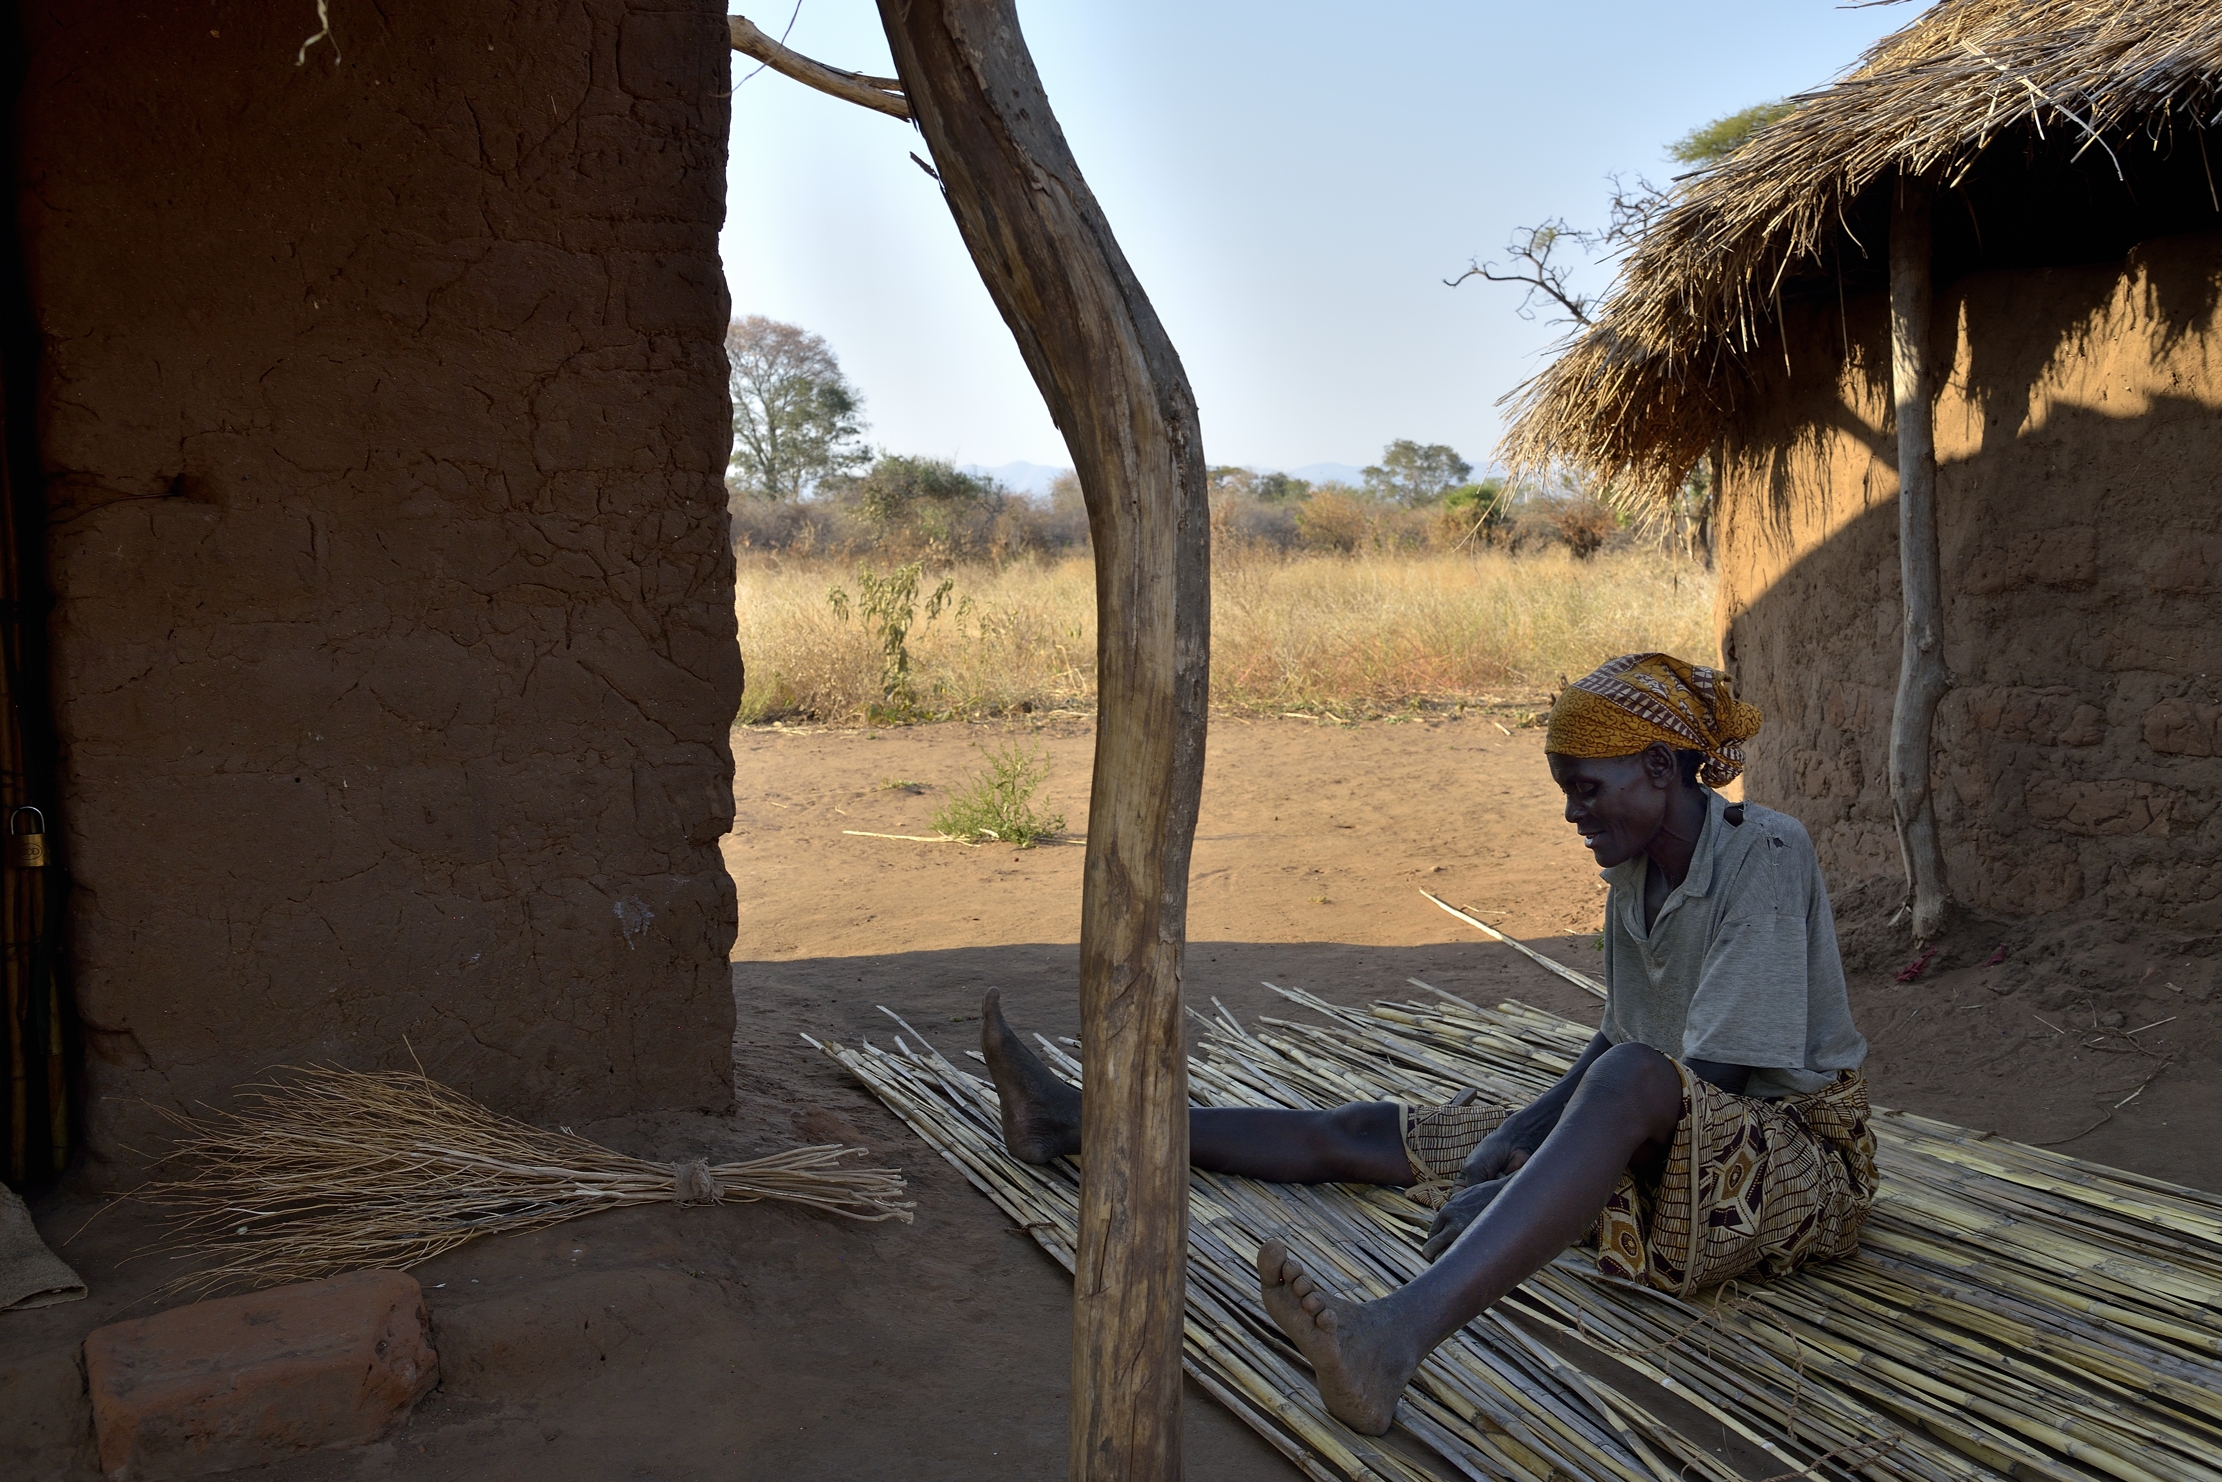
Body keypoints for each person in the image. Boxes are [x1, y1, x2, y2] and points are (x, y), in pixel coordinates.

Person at [981, 652, 1875, 1436]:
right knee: (1385, 1133)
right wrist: (1515, 1136)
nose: (1574, 816)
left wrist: (1513, 1184)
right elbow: (1618, 1037)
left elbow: (1697, 1075)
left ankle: (1394, 1338)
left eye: (1586, 791)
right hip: (1661, 1129)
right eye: (1567, 794)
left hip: (1784, 1160)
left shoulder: (1766, 852)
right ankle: (1072, 1119)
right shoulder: (1633, 872)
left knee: (1596, 1107)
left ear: (1656, 768)